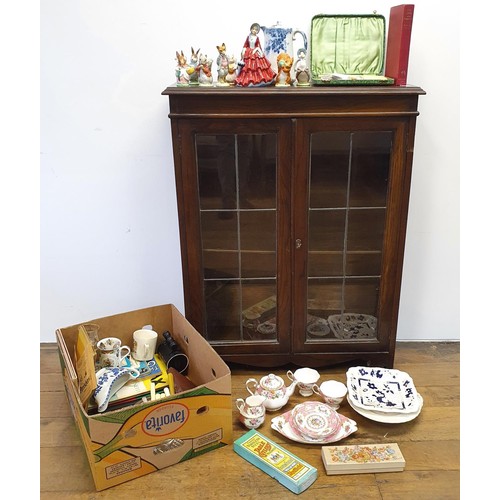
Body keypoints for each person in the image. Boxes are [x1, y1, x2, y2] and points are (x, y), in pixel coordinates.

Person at [235, 23, 276, 87]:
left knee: (258, 66)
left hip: (255, 51)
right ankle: (248, 79)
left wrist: (257, 50)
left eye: (256, 30)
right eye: (253, 29)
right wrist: (243, 50)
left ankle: (258, 78)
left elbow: (258, 45)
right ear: (251, 29)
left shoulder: (257, 38)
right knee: (247, 67)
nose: (254, 31)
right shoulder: (248, 37)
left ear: (257, 31)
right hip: (248, 52)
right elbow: (246, 44)